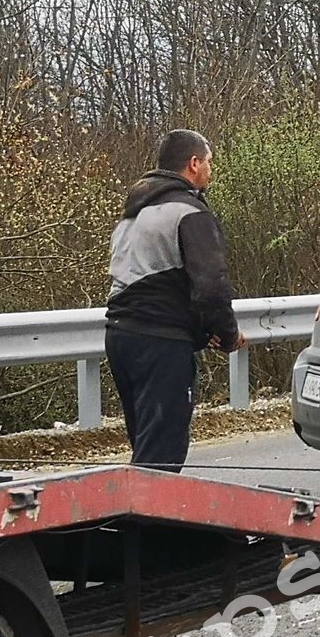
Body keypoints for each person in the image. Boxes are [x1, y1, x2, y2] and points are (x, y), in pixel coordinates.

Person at [105, 129, 243, 471]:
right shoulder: (189, 212)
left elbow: (155, 281)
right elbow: (211, 286)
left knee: (145, 445)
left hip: (121, 337)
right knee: (161, 456)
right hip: (160, 343)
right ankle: (145, 525)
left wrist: (199, 329)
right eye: (209, 162)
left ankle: (138, 520)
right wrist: (226, 335)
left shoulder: (133, 214)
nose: (211, 170)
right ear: (193, 164)